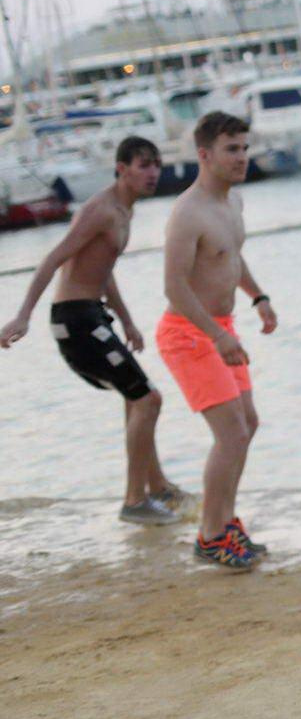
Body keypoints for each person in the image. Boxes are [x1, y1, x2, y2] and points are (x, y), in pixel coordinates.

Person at [0, 135, 183, 523]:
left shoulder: (123, 210)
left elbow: (103, 269)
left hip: (92, 316)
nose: (152, 173)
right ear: (121, 169)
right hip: (76, 320)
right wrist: (23, 315)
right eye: (143, 165)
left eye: (156, 165)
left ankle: (158, 489)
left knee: (135, 399)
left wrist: (128, 320)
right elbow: (53, 259)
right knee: (148, 399)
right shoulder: (99, 210)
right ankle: (135, 502)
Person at [158, 111, 278, 570]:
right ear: (204, 155)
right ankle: (209, 536)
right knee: (230, 432)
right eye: (232, 149)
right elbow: (174, 287)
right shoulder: (187, 214)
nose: (242, 157)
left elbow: (231, 258)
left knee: (247, 423)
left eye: (245, 147)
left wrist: (259, 297)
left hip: (222, 327)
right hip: (188, 334)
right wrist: (215, 336)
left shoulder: (233, 203)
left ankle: (225, 523)